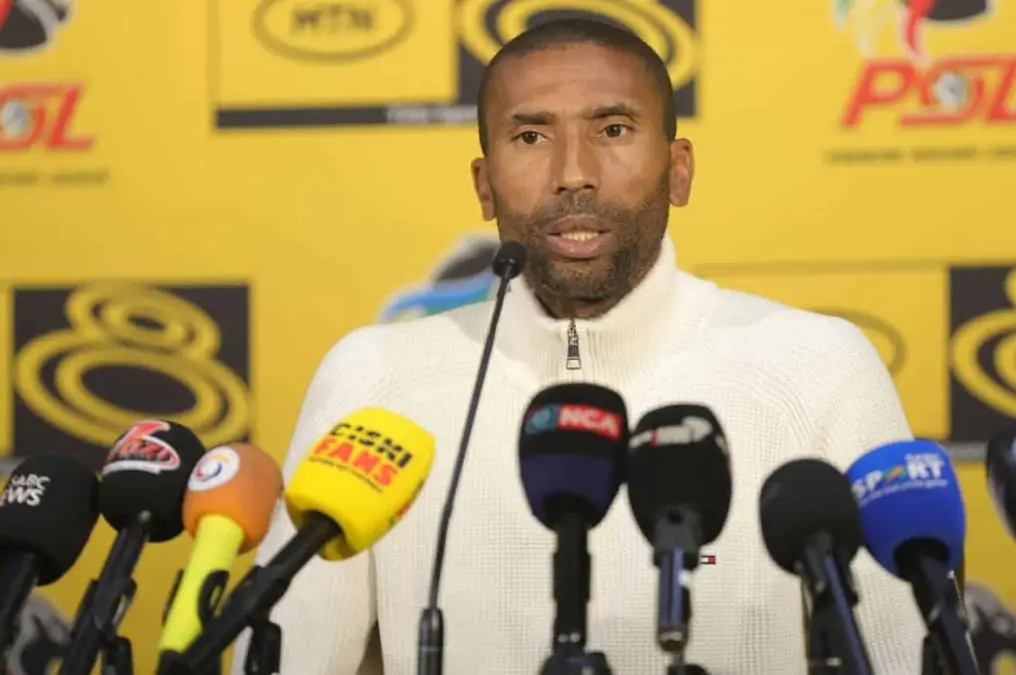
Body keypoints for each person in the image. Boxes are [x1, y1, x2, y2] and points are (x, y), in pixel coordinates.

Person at [232, 18, 926, 675]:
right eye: (531, 136)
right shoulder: (374, 378)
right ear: (484, 184)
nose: (572, 173)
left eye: (613, 129)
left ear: (679, 169)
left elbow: (903, 656)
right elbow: (289, 656)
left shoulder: (817, 367)